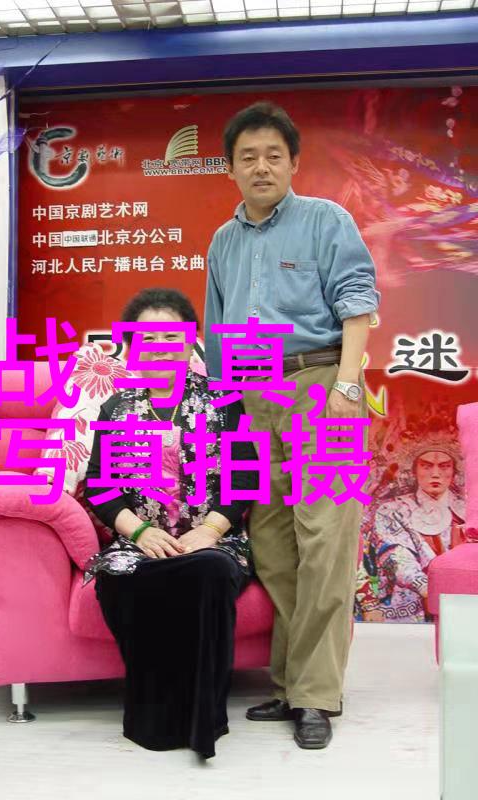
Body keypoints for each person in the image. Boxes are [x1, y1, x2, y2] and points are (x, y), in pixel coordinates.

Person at [204, 102, 380, 749]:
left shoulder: (325, 220)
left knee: (326, 543)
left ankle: (315, 695)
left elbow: (358, 302)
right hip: (252, 398)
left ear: (293, 162)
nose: (261, 167)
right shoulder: (223, 242)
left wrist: (347, 387)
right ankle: (288, 682)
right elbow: (216, 331)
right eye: (247, 157)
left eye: (273, 155)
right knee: (274, 546)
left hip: (321, 388)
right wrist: (225, 413)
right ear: (230, 168)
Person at [84, 287, 258, 760]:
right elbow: (100, 487)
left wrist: (211, 531)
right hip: (142, 544)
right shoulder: (116, 409)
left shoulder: (224, 402)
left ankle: (203, 720)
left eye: (170, 336)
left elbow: (246, 477)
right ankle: (153, 715)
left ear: (190, 341)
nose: (159, 346)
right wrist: (141, 533)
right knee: (119, 578)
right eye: (148, 337)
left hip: (213, 542)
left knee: (209, 571)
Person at [371, 442, 465, 623]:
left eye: (444, 466)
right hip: (411, 607)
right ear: (414, 471)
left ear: (454, 472)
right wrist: (429, 588)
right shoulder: (392, 510)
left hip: (465, 602)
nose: (435, 474)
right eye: (426, 466)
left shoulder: (469, 511)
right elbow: (395, 557)